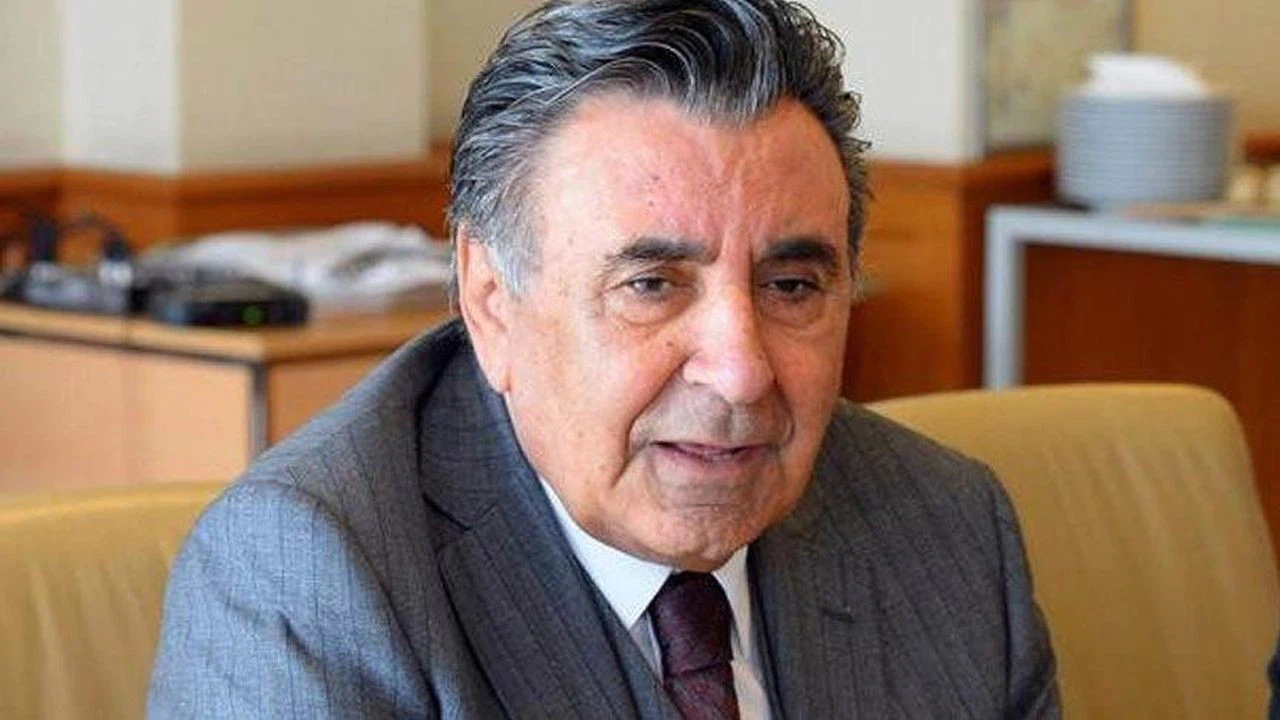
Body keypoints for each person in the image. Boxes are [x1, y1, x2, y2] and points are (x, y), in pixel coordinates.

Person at [149, 0, 1060, 717]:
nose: (741, 371)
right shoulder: (308, 577)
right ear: (491, 300)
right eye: (651, 285)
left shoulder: (945, 525)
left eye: (790, 286)